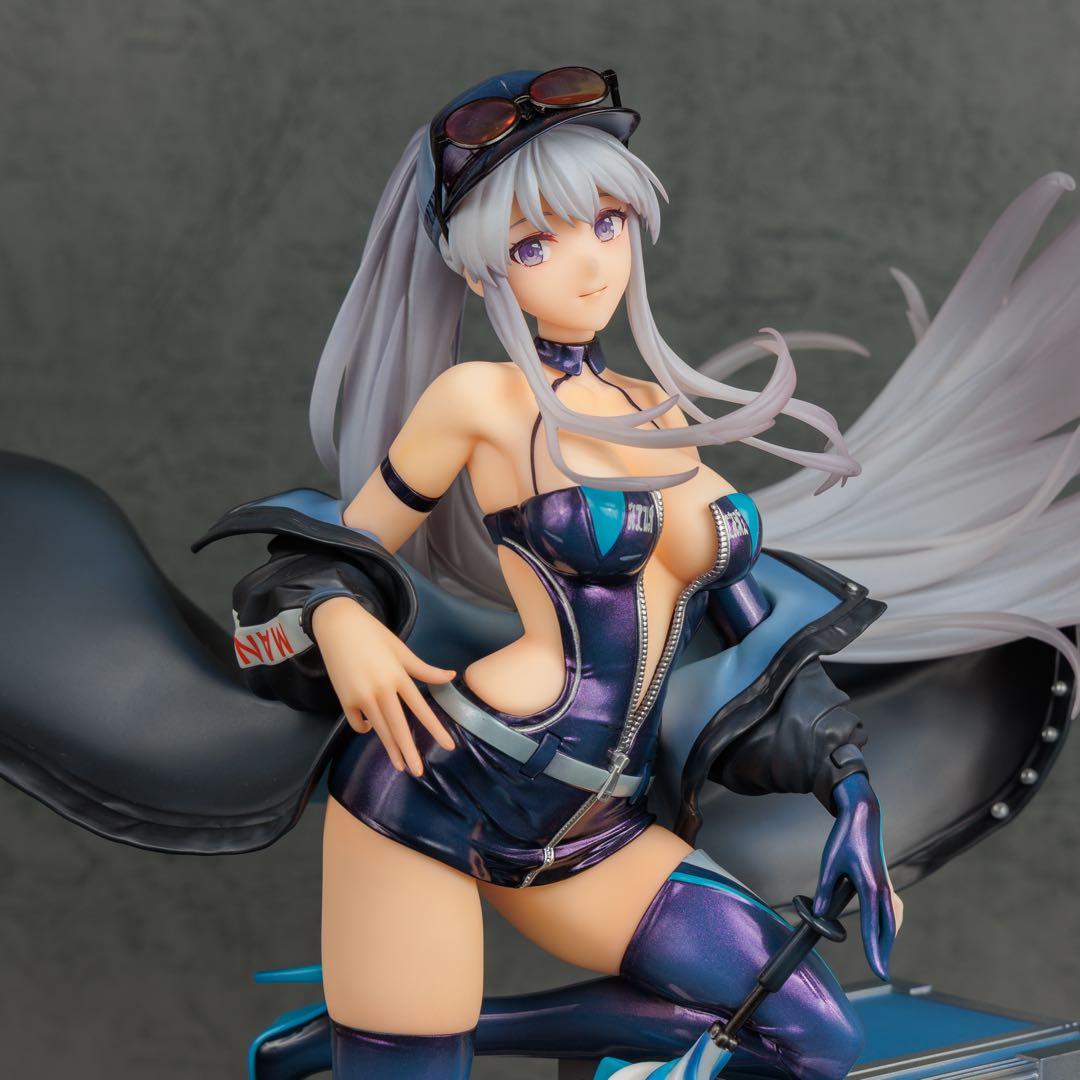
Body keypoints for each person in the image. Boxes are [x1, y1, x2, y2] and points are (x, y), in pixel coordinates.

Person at [213, 65, 900, 1080]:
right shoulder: (479, 401)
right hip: (444, 779)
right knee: (412, 1065)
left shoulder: (655, 406)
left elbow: (751, 630)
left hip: (600, 822)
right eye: (536, 244)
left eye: (608, 223)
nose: (587, 266)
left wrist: (850, 786)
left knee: (811, 1039)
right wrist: (341, 622)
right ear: (480, 269)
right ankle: (403, 1034)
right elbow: (328, 554)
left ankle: (401, 1032)